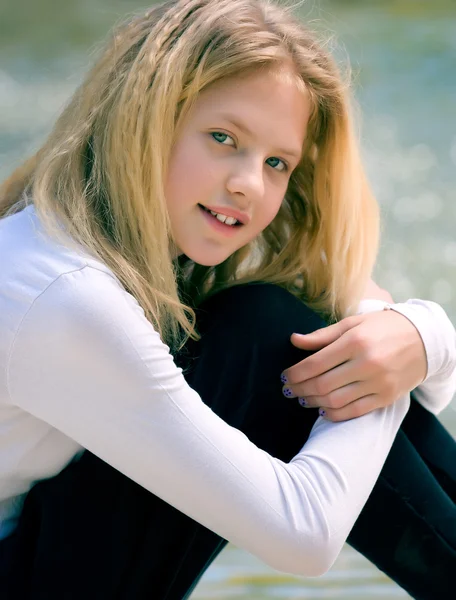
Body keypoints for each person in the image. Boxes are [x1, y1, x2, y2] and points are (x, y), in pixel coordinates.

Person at [0, 0, 454, 598]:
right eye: (222, 137)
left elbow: (426, 394)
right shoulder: (62, 292)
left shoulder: (125, 250)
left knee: (269, 327)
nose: (248, 184)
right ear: (144, 117)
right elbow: (303, 534)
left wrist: (422, 338)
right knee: (278, 340)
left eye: (276, 162)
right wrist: (383, 325)